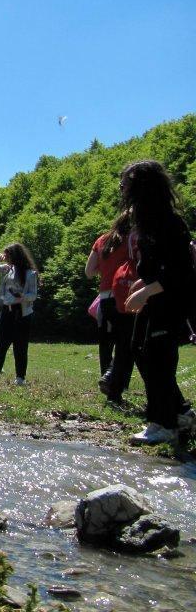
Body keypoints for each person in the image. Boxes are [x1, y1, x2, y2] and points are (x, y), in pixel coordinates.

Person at [119, 160, 196, 445]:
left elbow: (180, 271)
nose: (122, 188)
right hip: (156, 296)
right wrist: (142, 283)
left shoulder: (170, 222)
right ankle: (180, 412)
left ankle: (163, 423)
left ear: (141, 187)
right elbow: (155, 265)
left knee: (159, 357)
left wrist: (146, 291)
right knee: (140, 349)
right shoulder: (147, 221)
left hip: (172, 300)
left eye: (125, 183)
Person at [85, 213, 134, 404]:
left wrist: (105, 271)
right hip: (127, 295)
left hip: (105, 298)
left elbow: (89, 272)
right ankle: (116, 383)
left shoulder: (102, 240)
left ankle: (107, 376)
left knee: (106, 342)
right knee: (126, 342)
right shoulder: (133, 240)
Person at [0, 243, 39, 385]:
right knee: (1, 344)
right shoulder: (7, 269)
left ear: (16, 256)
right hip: (6, 311)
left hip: (23, 313)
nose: (6, 258)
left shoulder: (30, 273)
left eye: (8, 255)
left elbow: (33, 295)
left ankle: (20, 378)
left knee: (20, 346)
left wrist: (22, 297)